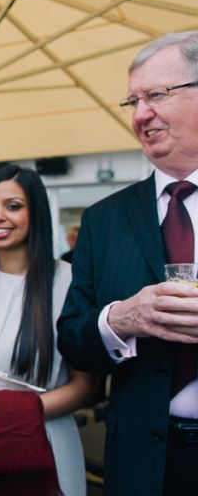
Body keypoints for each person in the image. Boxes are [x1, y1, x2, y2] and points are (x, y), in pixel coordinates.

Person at [57, 30, 198, 495]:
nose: (140, 114)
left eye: (155, 95)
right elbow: (73, 339)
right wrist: (120, 319)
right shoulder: (104, 219)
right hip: (140, 462)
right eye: (132, 101)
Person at [0, 164, 96, 495]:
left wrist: (16, 413)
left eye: (13, 206)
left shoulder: (69, 282)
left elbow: (85, 387)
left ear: (36, 212)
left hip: (44, 440)